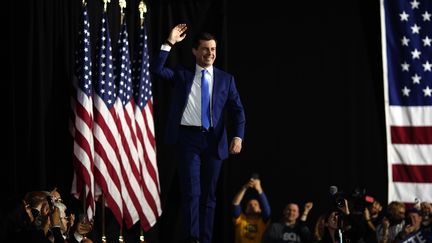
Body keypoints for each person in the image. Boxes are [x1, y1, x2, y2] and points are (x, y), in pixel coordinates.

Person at [151, 23, 246, 243]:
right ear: (195, 51)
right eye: (205, 49)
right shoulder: (182, 76)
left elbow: (238, 110)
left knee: (209, 197)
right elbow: (156, 69)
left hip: (214, 141)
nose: (210, 53)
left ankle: (205, 239)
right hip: (188, 140)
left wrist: (238, 137)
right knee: (192, 193)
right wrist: (169, 42)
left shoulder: (226, 79)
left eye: (213, 49)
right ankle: (193, 238)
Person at [232, 176, 271, 243]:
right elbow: (235, 204)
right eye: (249, 205)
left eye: (255, 204)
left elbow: (267, 212)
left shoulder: (262, 222)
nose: (252, 206)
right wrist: (245, 188)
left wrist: (259, 189)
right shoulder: (240, 219)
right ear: (246, 210)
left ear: (260, 210)